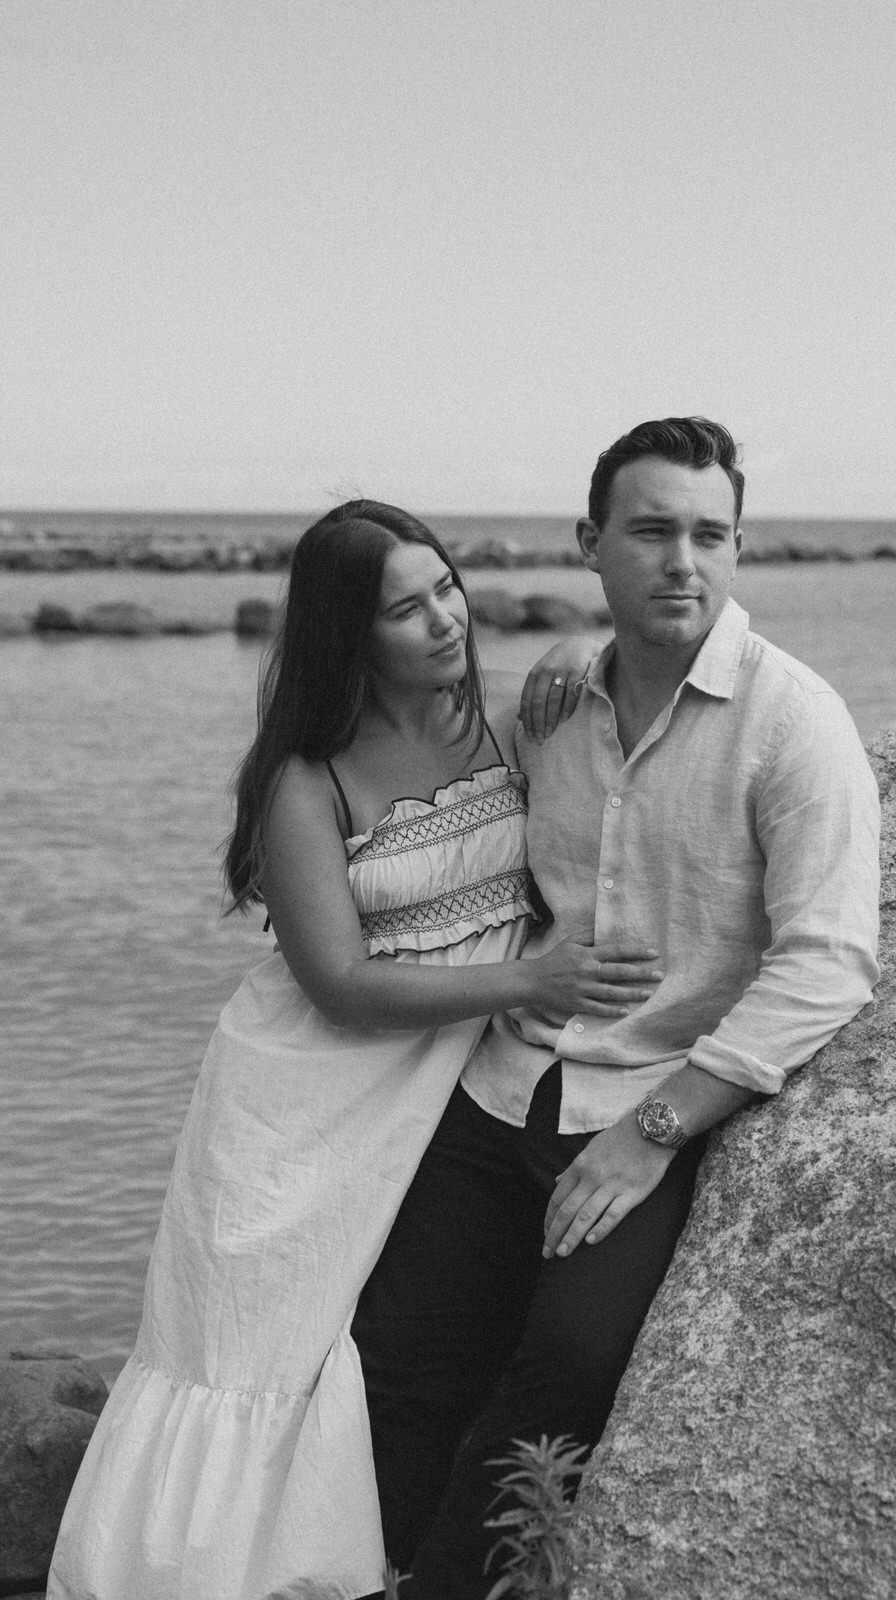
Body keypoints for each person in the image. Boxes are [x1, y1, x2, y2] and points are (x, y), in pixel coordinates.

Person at [47, 500, 662, 1600]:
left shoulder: (508, 722)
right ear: (348, 631)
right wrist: (529, 978)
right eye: (403, 608)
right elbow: (334, 983)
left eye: (445, 589)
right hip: (301, 1098)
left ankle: (348, 1567)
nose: (442, 620)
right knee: (257, 1345)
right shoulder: (306, 778)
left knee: (384, 1348)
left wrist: (576, 644)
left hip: (433, 1090)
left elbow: (619, 694)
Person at [352, 419, 882, 1597]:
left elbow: (829, 959)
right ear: (591, 544)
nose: (681, 562)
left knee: (573, 1363)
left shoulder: (793, 722)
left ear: (739, 547)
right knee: (391, 1357)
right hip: (501, 1084)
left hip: (646, 1102)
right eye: (650, 531)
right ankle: (362, 1570)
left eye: (709, 534)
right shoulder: (554, 711)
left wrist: (655, 1134)